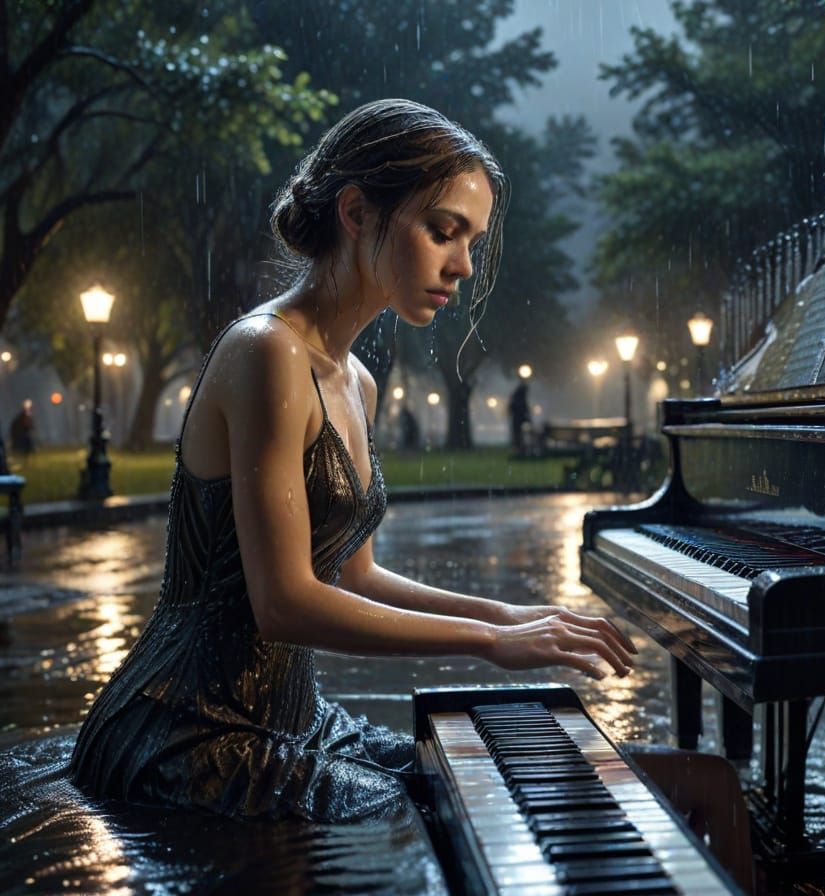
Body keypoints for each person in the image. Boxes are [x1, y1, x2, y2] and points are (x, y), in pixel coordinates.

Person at [68, 99, 637, 824]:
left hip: (293, 719)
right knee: (427, 826)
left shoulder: (357, 382)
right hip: (186, 729)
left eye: (472, 241)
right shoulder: (266, 351)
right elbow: (284, 603)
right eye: (443, 232)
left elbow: (355, 576)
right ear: (357, 213)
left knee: (485, 786)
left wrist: (508, 613)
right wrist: (493, 641)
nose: (463, 266)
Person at [508, 379, 531, 454]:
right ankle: (519, 447)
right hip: (519, 419)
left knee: (519, 434)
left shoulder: (517, 397)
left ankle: (519, 447)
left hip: (518, 419)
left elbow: (511, 408)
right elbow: (524, 408)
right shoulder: (519, 398)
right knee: (519, 434)